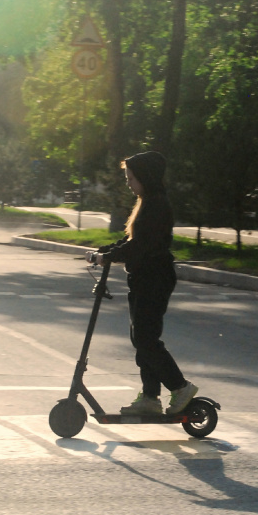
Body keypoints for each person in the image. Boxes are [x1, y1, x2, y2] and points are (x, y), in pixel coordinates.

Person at [86, 151, 198, 416]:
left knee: (146, 338)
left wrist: (108, 257)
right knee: (142, 338)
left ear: (145, 177)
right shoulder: (148, 203)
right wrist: (105, 251)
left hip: (155, 277)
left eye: (132, 178)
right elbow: (130, 240)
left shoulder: (157, 205)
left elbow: (141, 245)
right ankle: (150, 397)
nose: (129, 183)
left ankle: (179, 387)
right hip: (144, 276)